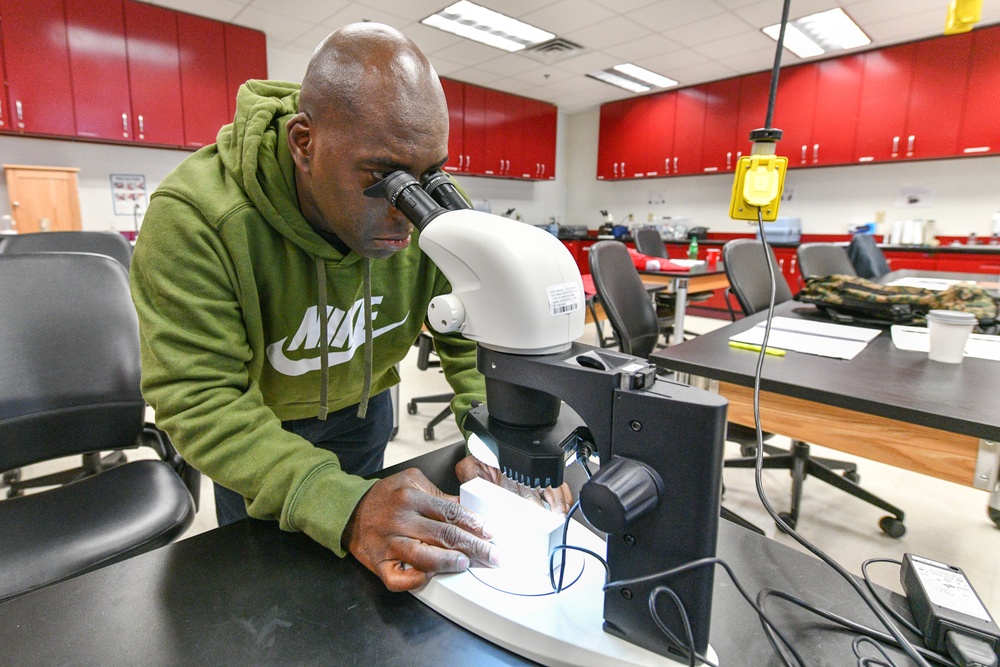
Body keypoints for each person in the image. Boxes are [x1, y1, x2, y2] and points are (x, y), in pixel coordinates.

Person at [130, 23, 570, 593]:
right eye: (381, 177)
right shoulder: (195, 217)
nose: (406, 213)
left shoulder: (421, 203)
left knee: (365, 586)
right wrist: (344, 505)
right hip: (255, 429)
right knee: (273, 592)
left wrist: (490, 442)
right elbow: (198, 398)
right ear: (304, 142)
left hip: (363, 413)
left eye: (427, 174)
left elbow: (471, 331)